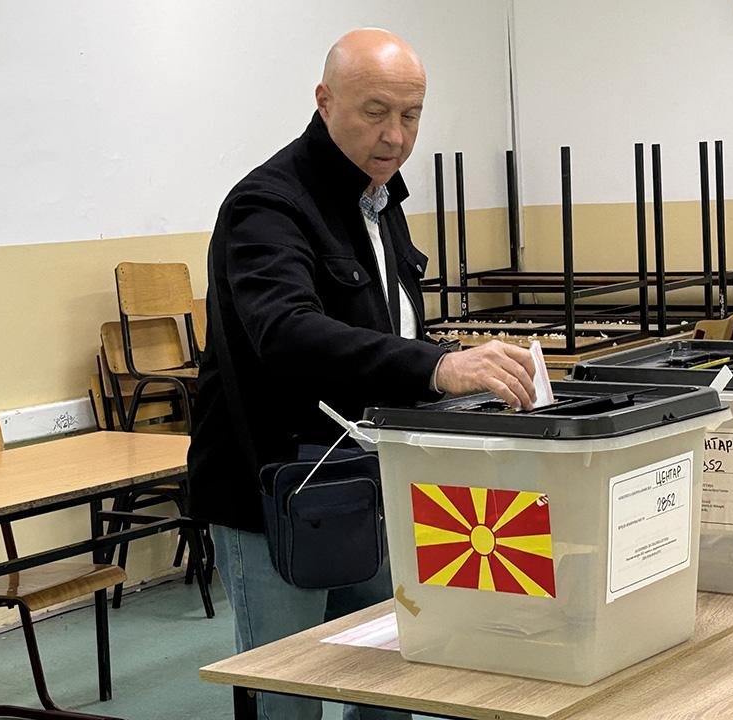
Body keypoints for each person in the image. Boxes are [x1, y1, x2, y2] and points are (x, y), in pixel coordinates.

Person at [187, 28, 537, 720]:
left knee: (388, 681)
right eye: (375, 112)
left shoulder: (379, 202)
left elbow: (382, 331)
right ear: (324, 101)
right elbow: (287, 333)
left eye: (411, 115)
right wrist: (439, 366)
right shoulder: (268, 205)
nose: (395, 136)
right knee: (288, 691)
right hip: (277, 487)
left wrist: (456, 357)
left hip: (370, 481)